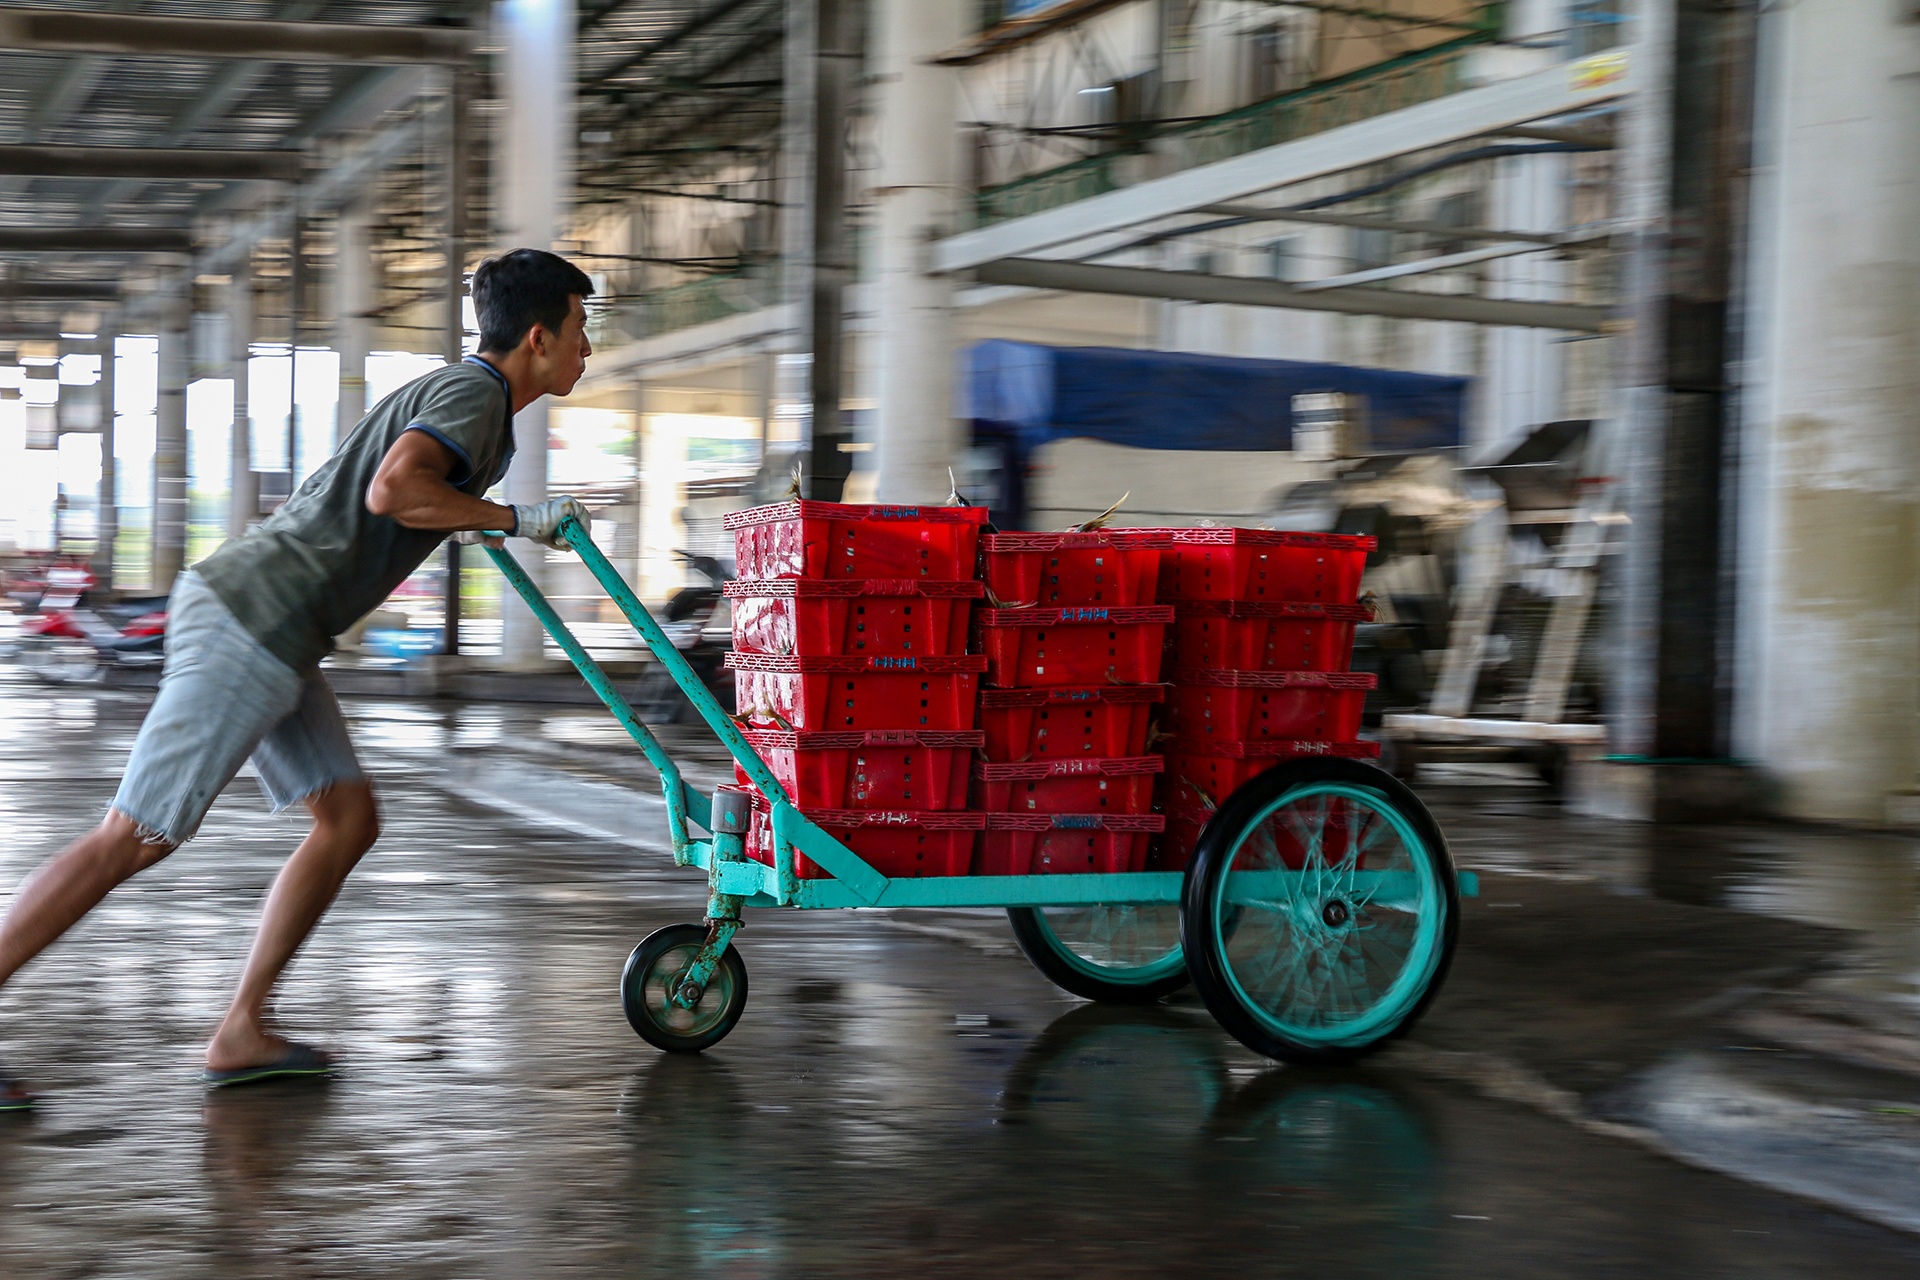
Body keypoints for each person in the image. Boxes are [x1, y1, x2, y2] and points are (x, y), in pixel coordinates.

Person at [0, 248, 597, 1107]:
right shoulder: (474, 396)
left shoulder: (474, 402)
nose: (588, 349)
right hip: (256, 617)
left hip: (280, 623)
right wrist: (513, 519)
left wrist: (496, 520)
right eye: (582, 329)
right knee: (134, 835)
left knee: (347, 819)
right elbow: (396, 491)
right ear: (538, 337)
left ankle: (242, 1028)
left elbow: (405, 498)